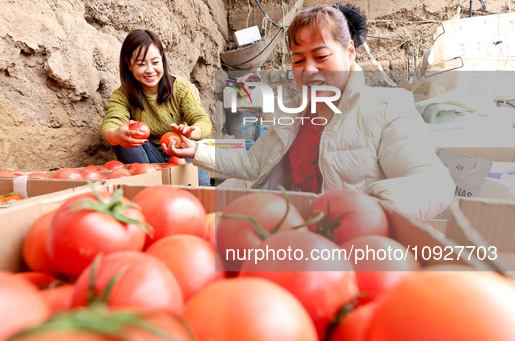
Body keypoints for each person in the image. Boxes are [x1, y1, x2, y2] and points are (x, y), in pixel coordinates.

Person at [163, 4, 455, 221]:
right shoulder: (292, 116)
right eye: (298, 59)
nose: (309, 69)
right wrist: (196, 151)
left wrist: (371, 212)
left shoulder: (386, 107)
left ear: (349, 52)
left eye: (321, 56)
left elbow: (433, 181)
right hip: (292, 239)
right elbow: (252, 163)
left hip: (354, 248)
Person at [102, 29, 212, 186]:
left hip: (180, 152)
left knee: (199, 145)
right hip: (148, 160)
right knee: (122, 139)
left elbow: (202, 121)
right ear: (129, 64)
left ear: (162, 59)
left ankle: (201, 192)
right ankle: (145, 186)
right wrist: (116, 134)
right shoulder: (122, 95)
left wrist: (191, 131)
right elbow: (111, 123)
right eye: (141, 64)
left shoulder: (180, 88)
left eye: (155, 62)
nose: (150, 70)